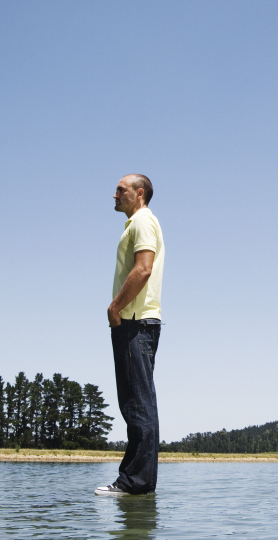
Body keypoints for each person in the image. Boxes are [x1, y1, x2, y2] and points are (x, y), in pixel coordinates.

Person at [95, 174, 164, 496]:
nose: (114, 194)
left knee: (138, 404)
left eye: (120, 190)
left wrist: (114, 308)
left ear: (139, 193)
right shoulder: (137, 224)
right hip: (137, 323)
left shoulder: (143, 222)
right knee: (136, 403)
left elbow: (143, 268)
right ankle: (138, 482)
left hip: (134, 323)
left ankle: (134, 483)